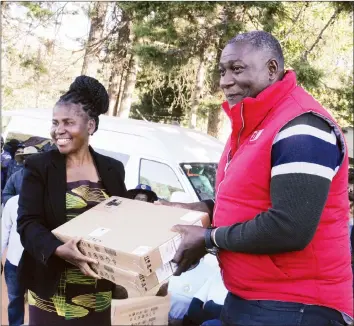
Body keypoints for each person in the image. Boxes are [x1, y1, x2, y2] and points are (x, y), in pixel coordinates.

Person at [158, 31, 353, 325]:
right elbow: (250, 199)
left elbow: (290, 227)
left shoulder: (303, 126)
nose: (224, 81)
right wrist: (204, 209)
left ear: (272, 69)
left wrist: (209, 239)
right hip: (250, 298)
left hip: (296, 306)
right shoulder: (252, 124)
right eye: (222, 71)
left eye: (237, 69)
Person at [17, 76, 127, 325]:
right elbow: (27, 223)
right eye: (55, 123)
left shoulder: (113, 169)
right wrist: (57, 249)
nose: (59, 130)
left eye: (68, 122)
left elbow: (123, 221)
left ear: (90, 125)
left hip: (98, 290)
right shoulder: (39, 166)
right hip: (51, 291)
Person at [1, 195, 25, 326]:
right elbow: (3, 232)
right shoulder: (13, 202)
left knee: (42, 303)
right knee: (15, 301)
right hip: (14, 263)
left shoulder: (47, 201)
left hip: (40, 264)